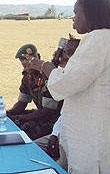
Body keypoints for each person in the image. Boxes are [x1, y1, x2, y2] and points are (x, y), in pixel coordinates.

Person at [24, 0, 110, 174]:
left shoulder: (98, 39)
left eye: (76, 12)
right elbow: (77, 78)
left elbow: (65, 83)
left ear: (91, 13)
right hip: (97, 135)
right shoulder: (106, 39)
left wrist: (44, 66)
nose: (74, 18)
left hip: (97, 142)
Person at [34, 37, 80, 171]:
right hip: (61, 130)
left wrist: (47, 67)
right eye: (64, 51)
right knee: (32, 148)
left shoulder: (78, 79)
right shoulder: (62, 74)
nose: (63, 55)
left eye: (69, 52)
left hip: (75, 137)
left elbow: (48, 111)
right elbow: (64, 114)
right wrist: (55, 135)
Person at [6, 44, 62, 140]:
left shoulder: (48, 75)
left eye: (32, 58)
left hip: (56, 121)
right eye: (24, 59)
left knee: (27, 127)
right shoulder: (27, 77)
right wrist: (7, 114)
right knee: (8, 122)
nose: (29, 62)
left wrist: (17, 118)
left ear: (38, 57)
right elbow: (21, 104)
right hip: (41, 115)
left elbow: (47, 113)